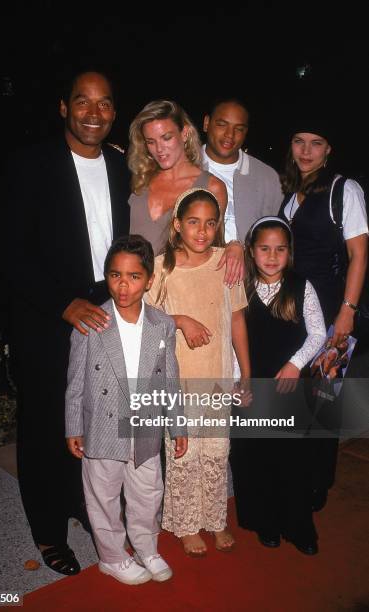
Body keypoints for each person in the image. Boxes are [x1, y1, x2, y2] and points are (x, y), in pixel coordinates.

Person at [0, 69, 130, 575]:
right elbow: (6, 255)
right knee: (48, 423)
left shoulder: (120, 168)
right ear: (63, 107)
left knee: (94, 421)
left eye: (105, 104)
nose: (94, 113)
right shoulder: (30, 164)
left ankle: (81, 501)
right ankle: (49, 530)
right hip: (49, 316)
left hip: (107, 308)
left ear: (114, 112)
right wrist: (62, 304)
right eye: (83, 102)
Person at [66, 235, 187, 585]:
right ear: (106, 276)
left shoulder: (162, 323)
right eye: (115, 274)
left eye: (134, 276)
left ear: (149, 279)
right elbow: (74, 380)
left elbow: (170, 381)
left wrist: (177, 426)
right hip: (102, 423)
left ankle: (146, 547)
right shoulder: (90, 321)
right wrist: (73, 425)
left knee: (148, 492)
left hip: (146, 420)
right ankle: (112, 557)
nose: (123, 285)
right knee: (102, 494)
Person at [146, 188, 250, 556]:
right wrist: (179, 320)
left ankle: (215, 520)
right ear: (177, 225)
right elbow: (143, 321)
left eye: (210, 223)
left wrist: (246, 373)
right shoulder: (161, 268)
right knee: (183, 452)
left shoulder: (227, 263)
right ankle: (187, 523)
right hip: (178, 382)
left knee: (216, 452)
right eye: (193, 222)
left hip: (218, 376)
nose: (202, 231)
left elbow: (237, 319)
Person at [279, 121, 368, 509]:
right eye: (299, 141)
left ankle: (316, 487)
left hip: (332, 311)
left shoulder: (343, 190)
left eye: (316, 143)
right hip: (294, 312)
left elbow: (360, 254)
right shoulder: (290, 193)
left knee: (323, 401)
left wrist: (347, 312)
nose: (306, 150)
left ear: (329, 149)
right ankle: (295, 476)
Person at [231, 217, 326, 555]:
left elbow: (318, 333)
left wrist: (295, 364)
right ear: (251, 251)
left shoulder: (302, 287)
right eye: (264, 249)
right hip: (253, 387)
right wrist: (237, 382)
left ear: (290, 252)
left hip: (289, 388)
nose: (272, 256)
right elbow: (233, 339)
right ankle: (265, 522)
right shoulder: (241, 288)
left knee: (293, 461)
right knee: (257, 460)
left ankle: (299, 527)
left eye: (280, 249)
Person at [128, 99, 244, 350]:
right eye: (151, 141)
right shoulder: (137, 182)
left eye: (167, 137)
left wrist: (236, 245)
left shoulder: (211, 187)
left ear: (185, 133)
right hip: (134, 300)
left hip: (184, 310)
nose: (159, 149)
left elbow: (213, 249)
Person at [202, 98, 283, 242]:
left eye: (239, 129)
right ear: (207, 123)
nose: (229, 135)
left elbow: (276, 237)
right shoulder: (184, 168)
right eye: (222, 125)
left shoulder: (267, 177)